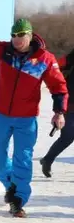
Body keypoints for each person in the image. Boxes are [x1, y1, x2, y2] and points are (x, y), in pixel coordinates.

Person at [0, 7, 67, 217]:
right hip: (0, 114)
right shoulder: (4, 51)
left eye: (21, 35)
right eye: (13, 35)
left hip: (26, 118)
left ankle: (18, 199)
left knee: (22, 159)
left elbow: (59, 87)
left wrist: (59, 111)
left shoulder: (45, 59)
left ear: (30, 35)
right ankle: (11, 185)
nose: (16, 40)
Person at [40, 46, 74, 177]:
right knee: (67, 137)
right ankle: (47, 160)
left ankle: (47, 160)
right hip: (70, 103)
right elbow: (57, 65)